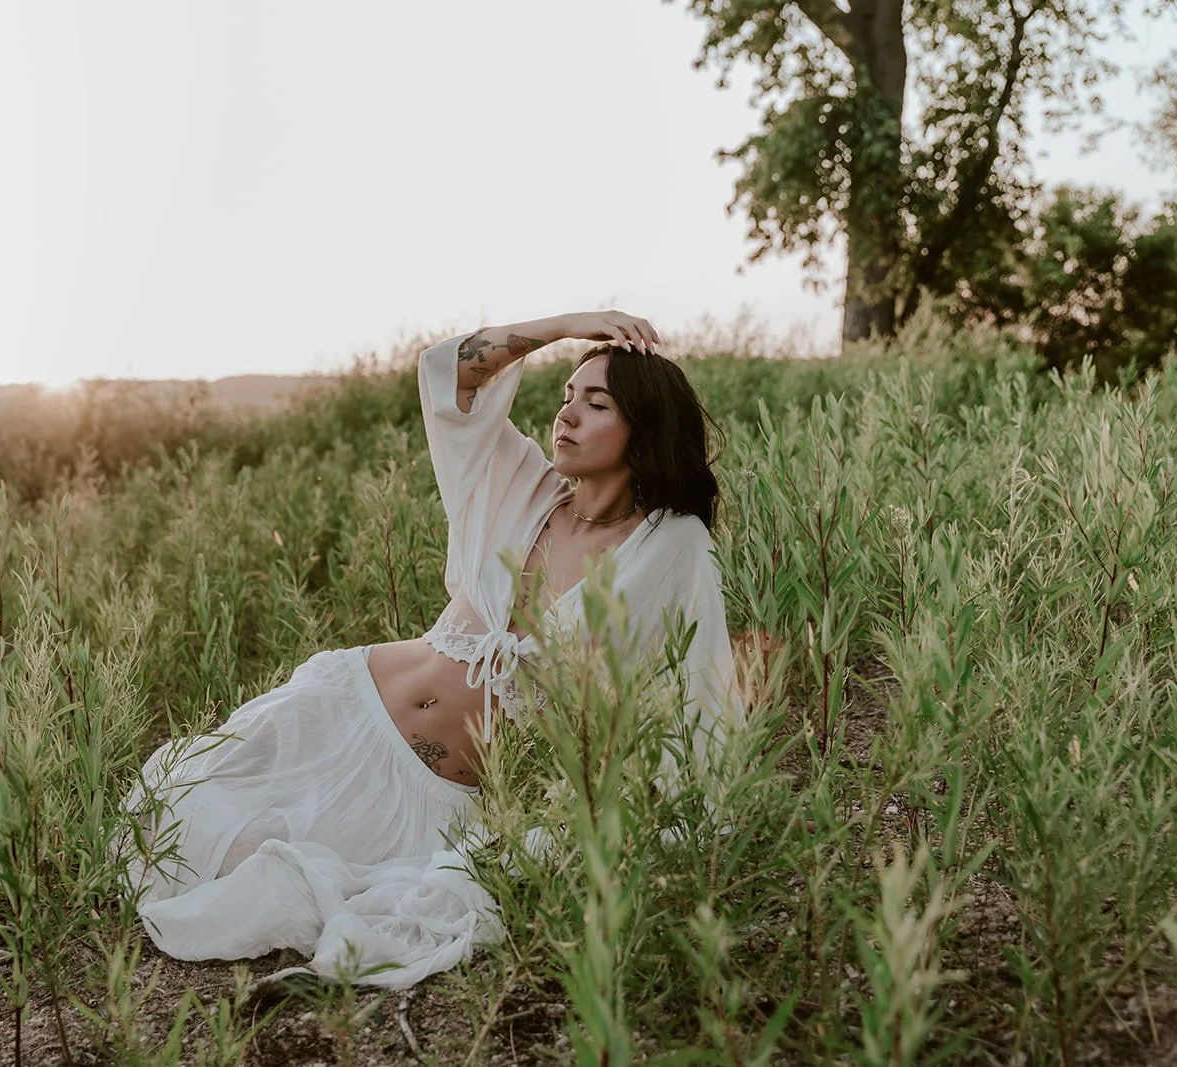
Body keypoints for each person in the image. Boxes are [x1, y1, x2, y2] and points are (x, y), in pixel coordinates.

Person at [112, 309, 742, 990]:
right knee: (174, 803)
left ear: (645, 426)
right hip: (342, 711)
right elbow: (449, 372)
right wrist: (573, 325)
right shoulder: (523, 489)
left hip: (431, 799)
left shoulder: (670, 547)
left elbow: (697, 703)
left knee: (280, 884)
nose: (567, 416)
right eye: (565, 397)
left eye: (596, 404)